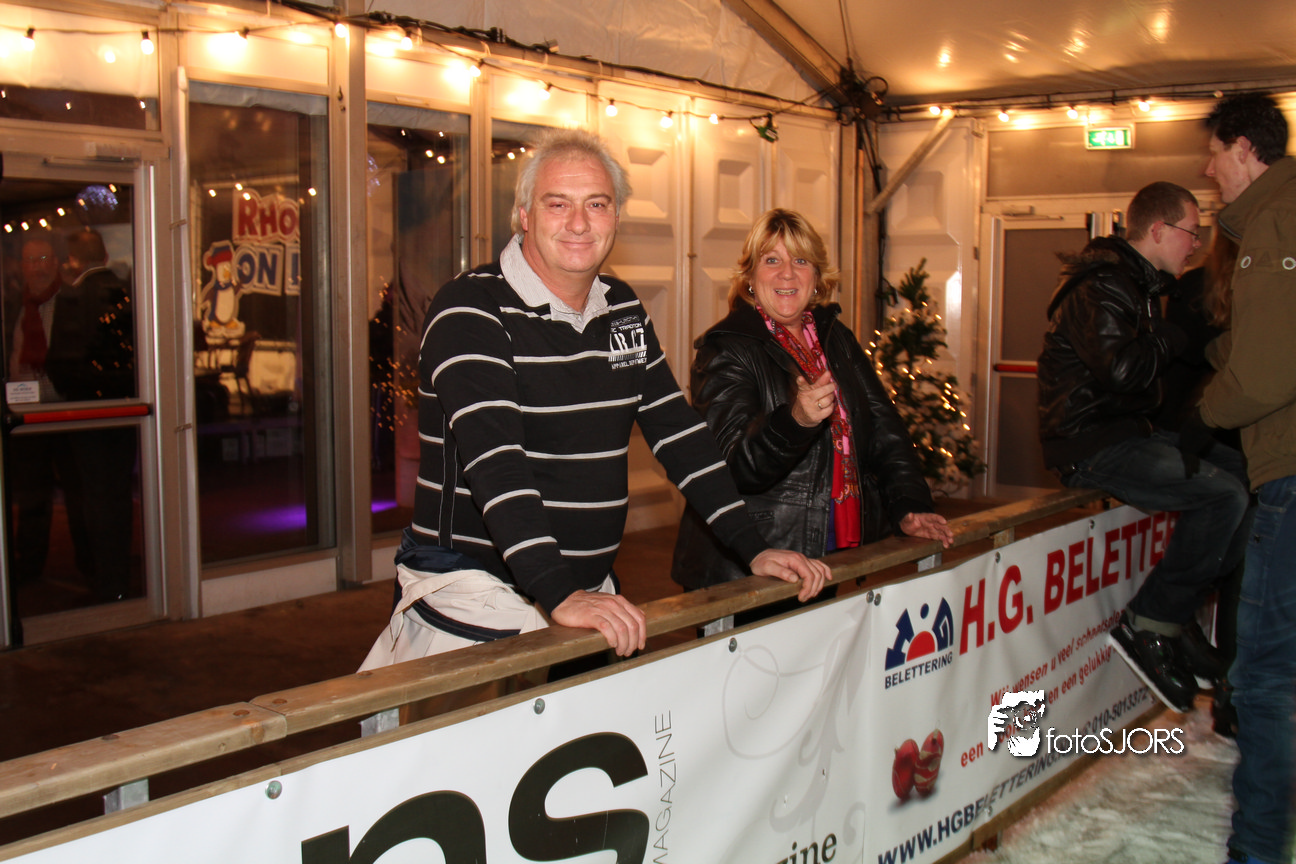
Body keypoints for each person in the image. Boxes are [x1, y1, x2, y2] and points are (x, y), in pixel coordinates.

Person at [399, 130, 831, 659]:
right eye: (558, 203)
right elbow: (496, 461)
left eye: (597, 204)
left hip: (581, 588)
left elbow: (677, 433)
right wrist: (556, 591)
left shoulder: (621, 308)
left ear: (617, 216)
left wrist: (753, 547)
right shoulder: (471, 309)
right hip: (473, 589)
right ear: (524, 215)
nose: (579, 223)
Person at [1036, 181, 1251, 714]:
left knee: (1247, 479)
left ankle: (1176, 614)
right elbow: (1124, 372)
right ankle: (1151, 620)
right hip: (1092, 442)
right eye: (1190, 233)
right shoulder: (1103, 286)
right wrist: (1173, 336)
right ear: (1158, 230)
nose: (1196, 245)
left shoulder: (1139, 284)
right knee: (1224, 495)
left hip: (1128, 431)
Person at [670, 208, 951, 602]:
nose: (787, 274)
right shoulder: (726, 348)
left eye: (801, 261)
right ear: (749, 277)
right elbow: (733, 468)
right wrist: (796, 421)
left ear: (817, 277)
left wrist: (909, 506)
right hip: (745, 565)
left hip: (825, 549)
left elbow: (885, 429)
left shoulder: (834, 337)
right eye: (772, 260)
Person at [1193, 92, 1296, 864]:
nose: (1208, 170)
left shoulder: (1275, 223)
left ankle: (1256, 853)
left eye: (1213, 153)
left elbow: (1266, 374)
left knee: (1263, 676)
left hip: (1290, 475)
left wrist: (1203, 410)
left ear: (1244, 149)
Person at [1158, 229, 1245, 738]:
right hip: (1211, 439)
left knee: (1240, 571)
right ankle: (1230, 690)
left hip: (1213, 437)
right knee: (1242, 572)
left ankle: (1230, 688)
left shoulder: (1198, 287)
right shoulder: (1199, 290)